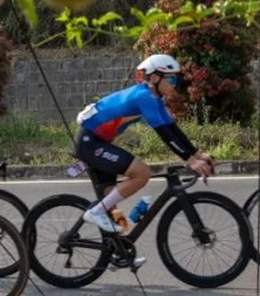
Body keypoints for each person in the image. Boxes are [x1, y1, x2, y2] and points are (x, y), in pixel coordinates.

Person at [73, 54, 214, 244]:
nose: (174, 84)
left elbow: (173, 130)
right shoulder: (144, 96)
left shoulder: (155, 99)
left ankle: (119, 249)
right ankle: (95, 212)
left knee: (111, 199)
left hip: (99, 142)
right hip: (90, 142)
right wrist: (191, 161)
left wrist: (197, 155)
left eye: (176, 79)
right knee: (141, 173)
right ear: (155, 78)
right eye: (171, 78)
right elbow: (164, 134)